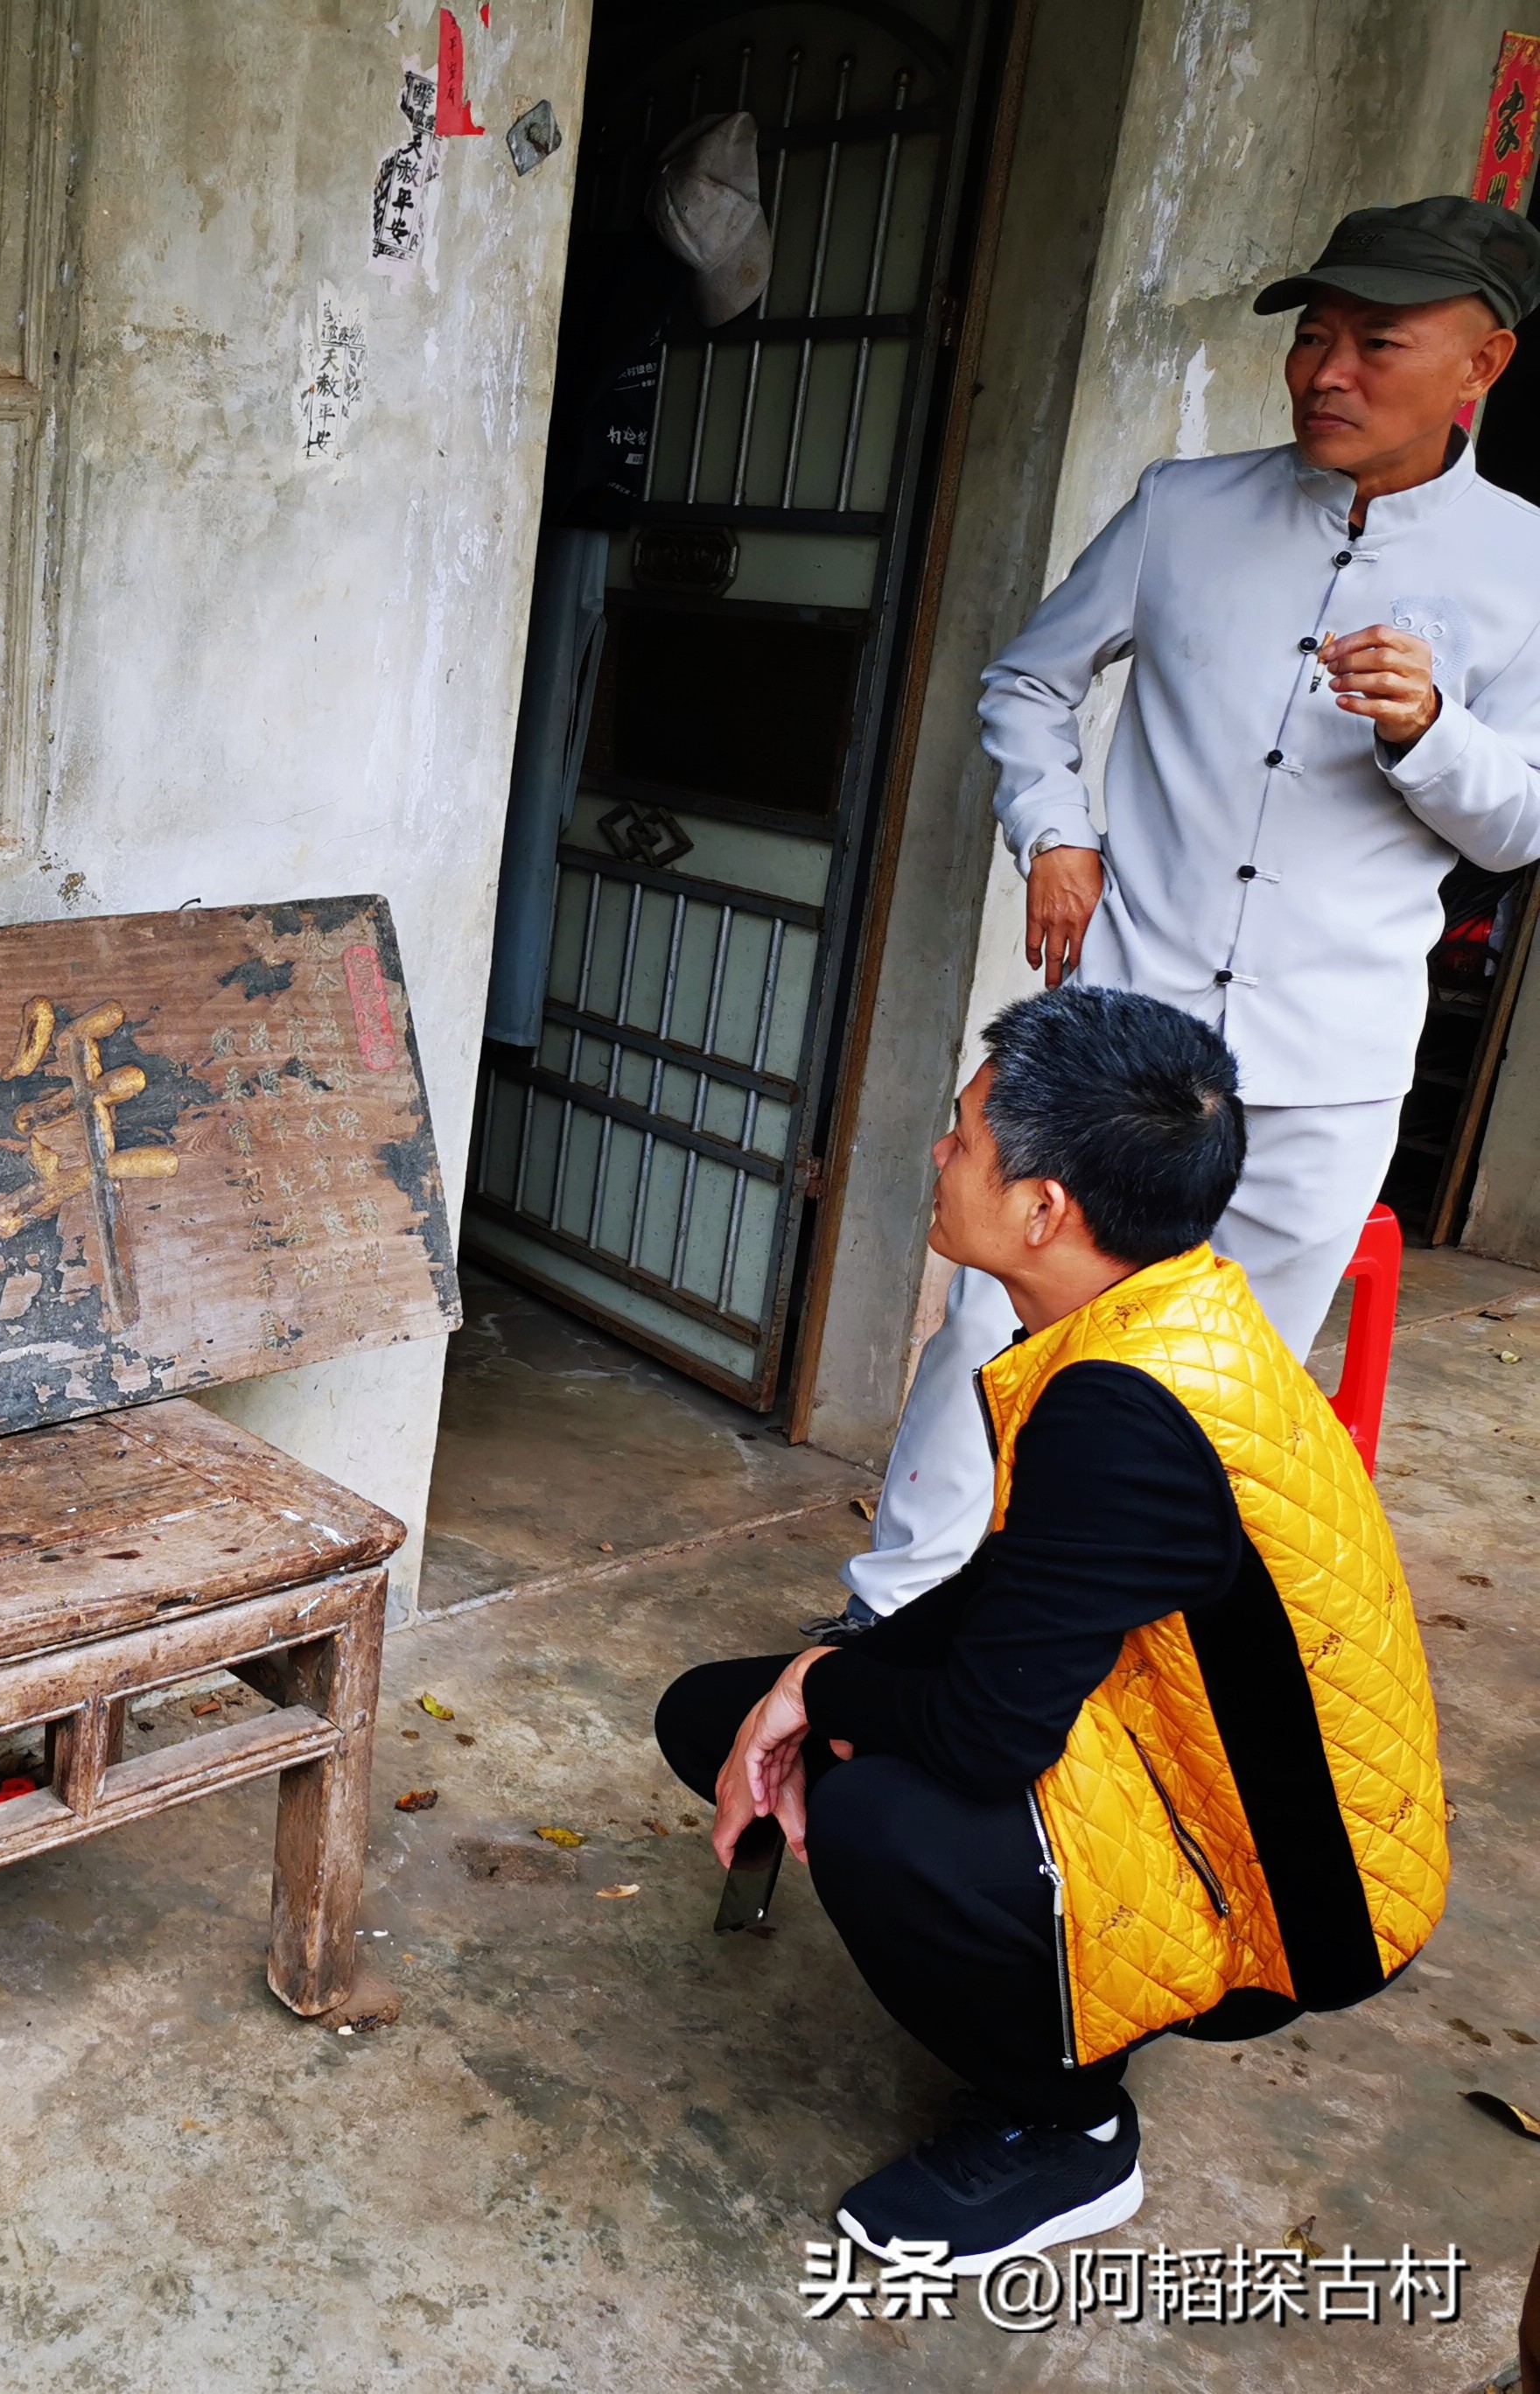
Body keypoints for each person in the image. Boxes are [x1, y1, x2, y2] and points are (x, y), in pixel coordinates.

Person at [831, 193, 1540, 1632]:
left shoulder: (1525, 567)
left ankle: (1098, 1673)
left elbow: (1520, 824)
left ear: (1485, 363)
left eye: (1377, 344)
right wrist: (1057, 832)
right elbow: (1030, 682)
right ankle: (889, 1632)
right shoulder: (1186, 508)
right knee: (993, 1328)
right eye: (1315, 337)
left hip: (1323, 1065)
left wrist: (1434, 737)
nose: (1325, 373)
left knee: (1218, 1386)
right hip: (1118, 1025)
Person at [659, 984, 1446, 2269]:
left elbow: (984, 1735)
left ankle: (1067, 2129)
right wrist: (817, 1679)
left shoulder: (1123, 1409)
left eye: (964, 1137)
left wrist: (823, 1695)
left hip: (1291, 1892)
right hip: (1192, 1765)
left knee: (875, 1811)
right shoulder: (1165, 1310)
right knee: (717, 1714)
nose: (941, 1155)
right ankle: (1058, 1972)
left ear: (1043, 1208)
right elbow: (1027, 1585)